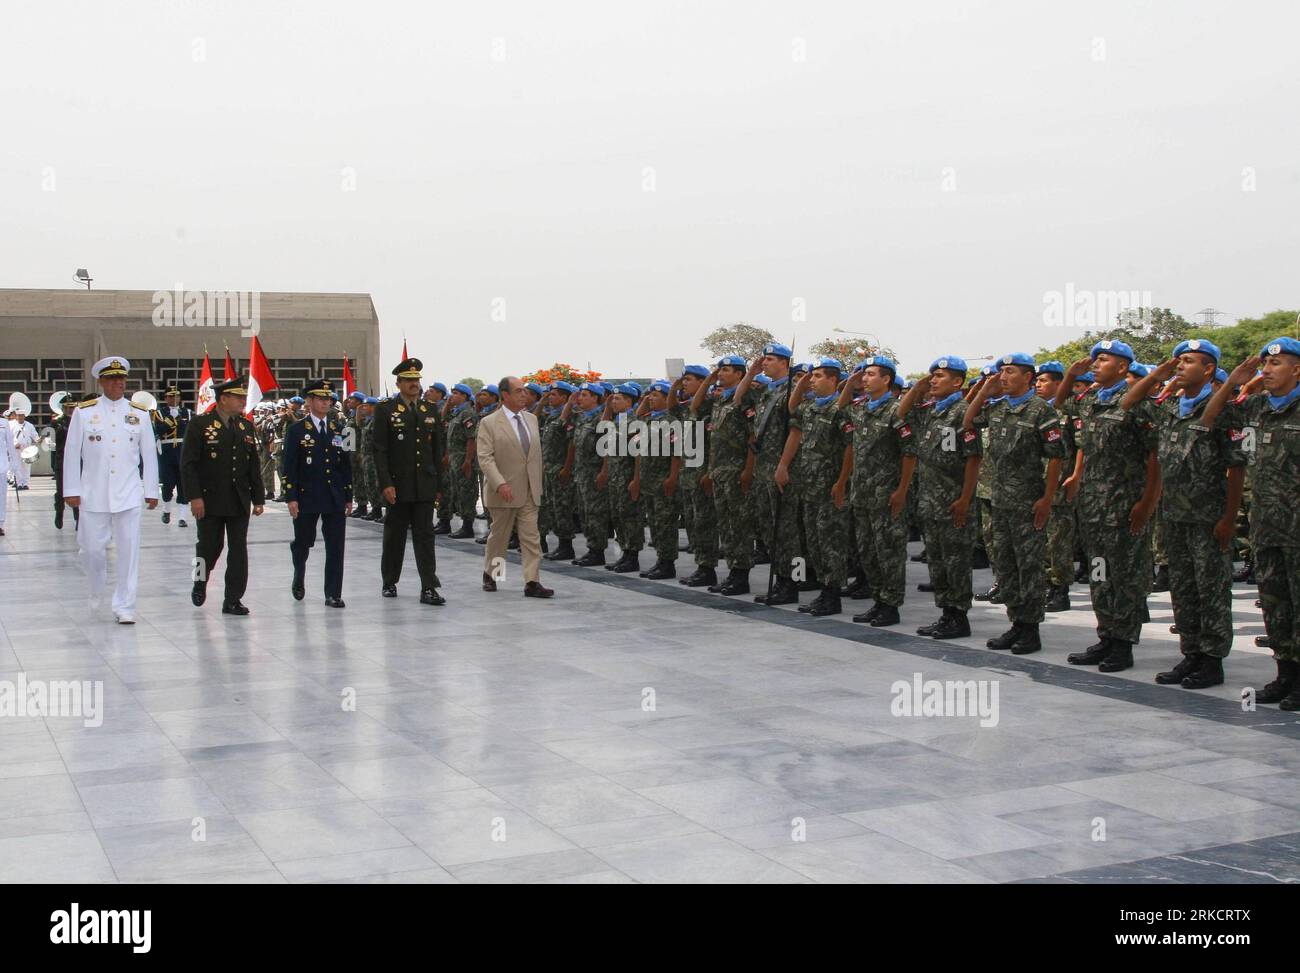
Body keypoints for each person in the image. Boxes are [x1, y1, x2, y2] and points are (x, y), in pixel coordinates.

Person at [1125, 339, 1244, 689]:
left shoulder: (1223, 409)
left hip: (1208, 516)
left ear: (1208, 369)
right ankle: (1191, 653)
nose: (1180, 365)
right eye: (1178, 360)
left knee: (1211, 589)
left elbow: (1237, 469)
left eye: (1188, 361)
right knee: (1184, 588)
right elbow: (1128, 402)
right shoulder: (1169, 407)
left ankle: (1212, 660)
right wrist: (1159, 374)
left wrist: (1228, 519)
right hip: (1174, 515)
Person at [1206, 338, 1300, 708]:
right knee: (1275, 604)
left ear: (1296, 369)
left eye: (1276, 364)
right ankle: (1285, 673)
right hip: (1266, 526)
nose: (1267, 369)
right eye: (1264, 363)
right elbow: (1210, 419)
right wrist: (1234, 383)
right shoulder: (1255, 408)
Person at [1058, 340, 1160, 673]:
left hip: (1124, 506)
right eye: (1094, 359)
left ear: (1122, 367)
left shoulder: (1137, 404)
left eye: (1103, 359)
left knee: (1126, 576)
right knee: (1100, 573)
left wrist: (1146, 501)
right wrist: (1069, 378)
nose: (1096, 364)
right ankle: (1106, 634)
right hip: (1092, 507)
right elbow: (1058, 408)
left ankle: (1123, 643)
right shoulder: (1088, 402)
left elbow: (1154, 456)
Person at [965, 352, 1065, 655]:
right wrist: (985, 389)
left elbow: (1056, 457)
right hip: (999, 500)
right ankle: (1015, 622)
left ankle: (1030, 629)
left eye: (1010, 372)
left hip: (1027, 503)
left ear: (1028, 377)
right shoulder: (997, 410)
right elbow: (968, 421)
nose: (1004, 377)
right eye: (1001, 372)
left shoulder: (1040, 411)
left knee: (1029, 567)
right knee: (1006, 565)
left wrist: (1047, 499)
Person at [62, 357, 160, 623]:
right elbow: (72, 454)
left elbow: (149, 454)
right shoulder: (84, 412)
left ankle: (124, 606)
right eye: (112, 379)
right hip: (92, 494)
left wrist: (151, 489)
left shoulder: (139, 413)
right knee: (91, 550)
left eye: (122, 379)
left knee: (129, 552)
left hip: (128, 493)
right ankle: (96, 585)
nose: (118, 383)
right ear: (102, 382)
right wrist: (70, 490)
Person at [899, 357, 981, 639]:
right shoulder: (931, 412)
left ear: (957, 382)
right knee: (937, 561)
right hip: (930, 501)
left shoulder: (963, 412)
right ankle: (946, 614)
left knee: (956, 562)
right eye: (931, 376)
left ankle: (959, 617)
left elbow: (973, 459)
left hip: (953, 501)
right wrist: (918, 387)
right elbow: (900, 414)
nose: (933, 380)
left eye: (940, 376)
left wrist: (965, 499)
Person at [838, 355, 916, 627]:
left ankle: (891, 605)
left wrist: (902, 491)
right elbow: (841, 406)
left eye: (871, 374)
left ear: (886, 380)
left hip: (886, 495)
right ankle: (878, 600)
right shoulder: (860, 409)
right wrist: (851, 380)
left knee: (889, 552)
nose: (865, 379)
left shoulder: (897, 411)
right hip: (862, 494)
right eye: (864, 374)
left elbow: (909, 454)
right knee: (867, 552)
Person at [182, 376, 265, 615]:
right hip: (209, 499)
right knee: (208, 548)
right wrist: (194, 497)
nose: (242, 401)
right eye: (237, 397)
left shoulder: (244, 426)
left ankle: (233, 598)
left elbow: (252, 466)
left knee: (238, 550)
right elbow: (188, 465)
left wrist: (258, 498)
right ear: (223, 399)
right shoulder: (200, 425)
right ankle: (199, 581)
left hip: (239, 499)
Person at [780, 358, 852, 617]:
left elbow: (849, 447)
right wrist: (801, 380)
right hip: (809, 486)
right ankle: (824, 590)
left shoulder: (840, 408)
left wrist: (841, 482)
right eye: (812, 375)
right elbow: (792, 408)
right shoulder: (810, 407)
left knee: (831, 542)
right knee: (814, 542)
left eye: (819, 376)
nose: (812, 379)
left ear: (834, 380)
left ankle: (833, 595)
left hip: (829, 488)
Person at [373, 358, 446, 604]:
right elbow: (380, 450)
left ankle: (429, 586)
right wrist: (385, 483)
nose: (414, 384)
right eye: (409, 380)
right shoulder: (385, 410)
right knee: (395, 536)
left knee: (425, 537)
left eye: (416, 380)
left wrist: (438, 485)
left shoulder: (430, 410)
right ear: (399, 383)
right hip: (398, 485)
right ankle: (389, 581)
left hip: (424, 485)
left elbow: (437, 451)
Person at [477, 376, 553, 598]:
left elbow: (533, 456)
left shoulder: (531, 419)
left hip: (529, 489)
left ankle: (532, 581)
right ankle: (493, 575)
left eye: (525, 391)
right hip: (504, 491)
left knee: (531, 537)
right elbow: (485, 458)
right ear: (505, 395)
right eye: (519, 391)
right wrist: (500, 482)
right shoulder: (489, 422)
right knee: (499, 537)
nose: (524, 395)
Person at [691, 356, 759, 595]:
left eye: (726, 370)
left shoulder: (746, 397)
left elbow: (753, 437)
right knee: (727, 525)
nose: (721, 374)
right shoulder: (720, 399)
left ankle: (741, 576)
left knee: (740, 526)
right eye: (719, 370)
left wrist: (748, 470)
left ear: (739, 374)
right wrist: (709, 379)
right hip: (720, 472)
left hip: (737, 471)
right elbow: (695, 406)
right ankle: (732, 572)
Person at [283, 379, 353, 607]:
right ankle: (299, 572)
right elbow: (289, 466)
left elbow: (346, 465)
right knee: (304, 542)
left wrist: (348, 495)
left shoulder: (341, 430)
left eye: (329, 399)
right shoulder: (295, 430)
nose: (326, 402)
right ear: (309, 401)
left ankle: (333, 593)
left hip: (334, 496)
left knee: (336, 546)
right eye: (321, 398)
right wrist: (291, 497)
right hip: (307, 496)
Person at [539, 381, 578, 561]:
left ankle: (566, 546)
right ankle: (561, 545)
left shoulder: (569, 416)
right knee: (554, 508)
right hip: (550, 469)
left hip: (561, 469)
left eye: (554, 394)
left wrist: (567, 468)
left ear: (564, 397)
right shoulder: (550, 416)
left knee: (563, 508)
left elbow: (571, 443)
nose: (549, 397)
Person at [153, 384, 193, 527]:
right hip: (167, 453)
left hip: (182, 451)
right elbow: (159, 429)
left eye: (176, 396)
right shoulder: (159, 413)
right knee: (167, 484)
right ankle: (166, 510)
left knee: (183, 485)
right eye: (170, 396)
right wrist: (170, 419)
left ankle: (182, 518)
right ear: (165, 398)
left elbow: (190, 430)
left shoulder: (187, 413)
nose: (174, 399)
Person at [443, 383, 480, 538]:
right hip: (454, 458)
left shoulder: (467, 414)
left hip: (463, 458)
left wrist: (468, 460)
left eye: (456, 393)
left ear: (464, 396)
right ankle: (464, 524)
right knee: (457, 491)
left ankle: (467, 526)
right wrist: (447, 404)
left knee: (466, 492)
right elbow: (443, 421)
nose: (453, 396)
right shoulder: (456, 413)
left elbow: (471, 438)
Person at [50, 391, 79, 530]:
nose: (70, 410)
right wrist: (62, 425)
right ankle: (59, 513)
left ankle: (78, 518)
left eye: (72, 407)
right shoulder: (57, 422)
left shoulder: (80, 421)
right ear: (63, 408)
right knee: (61, 491)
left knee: (77, 491)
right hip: (62, 462)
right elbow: (53, 441)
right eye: (68, 407)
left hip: (77, 463)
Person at [0, 398, 25, 535]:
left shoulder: (4, 423)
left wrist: (15, 466)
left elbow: (10, 445)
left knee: (1, 496)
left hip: (1, 465)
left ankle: (0, 522)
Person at [7, 406, 37, 490]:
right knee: (17, 466)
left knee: (26, 466)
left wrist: (38, 439)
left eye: (22, 415)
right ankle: (19, 483)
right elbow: (9, 437)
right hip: (16, 449)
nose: (20, 417)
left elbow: (35, 435)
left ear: (24, 416)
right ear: (16, 416)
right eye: (18, 415)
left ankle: (25, 483)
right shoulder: (11, 425)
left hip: (26, 448)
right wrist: (14, 444)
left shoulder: (29, 425)